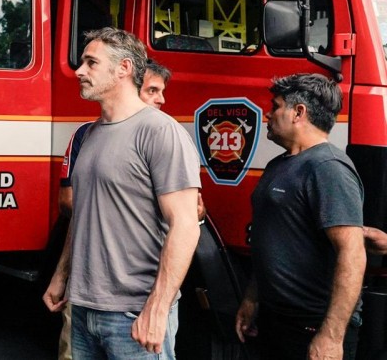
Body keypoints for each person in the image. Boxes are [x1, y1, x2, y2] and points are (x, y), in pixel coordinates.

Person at [43, 28, 201, 359]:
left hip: (134, 314)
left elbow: (185, 226)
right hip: (84, 307)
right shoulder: (89, 134)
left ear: (123, 68)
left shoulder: (160, 132)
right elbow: (83, 214)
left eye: (91, 62)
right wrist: (61, 275)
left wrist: (157, 308)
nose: (79, 71)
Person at [235, 73, 366, 360]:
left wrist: (331, 336)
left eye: (276, 106)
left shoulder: (328, 168)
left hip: (312, 327)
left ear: (298, 112)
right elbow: (272, 239)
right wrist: (252, 299)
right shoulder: (278, 165)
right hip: (275, 321)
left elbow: (352, 253)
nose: (268, 114)